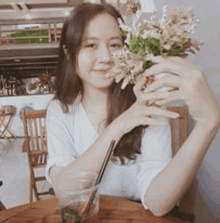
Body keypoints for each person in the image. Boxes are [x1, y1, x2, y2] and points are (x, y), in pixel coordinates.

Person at [46, 2, 220, 217]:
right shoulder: (60, 110)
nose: (106, 58)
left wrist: (207, 124)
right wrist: (119, 125)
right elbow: (64, 189)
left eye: (115, 45)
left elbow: (158, 203)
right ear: (69, 54)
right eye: (90, 45)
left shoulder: (148, 103)